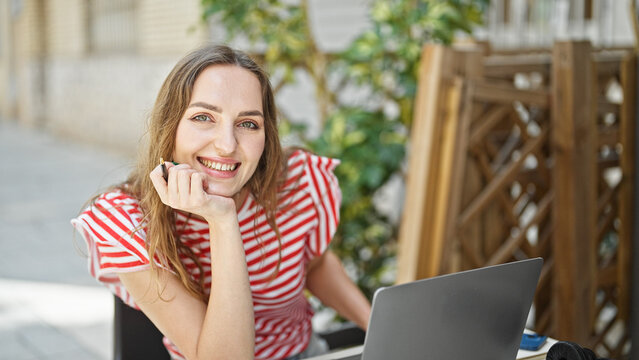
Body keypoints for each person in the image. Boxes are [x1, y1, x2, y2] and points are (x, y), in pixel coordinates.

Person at [71, 44, 371, 360]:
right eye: (204, 117)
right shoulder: (126, 223)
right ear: (169, 126)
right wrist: (222, 220)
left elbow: (317, 265)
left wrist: (379, 330)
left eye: (248, 123)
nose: (227, 145)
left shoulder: (296, 182)